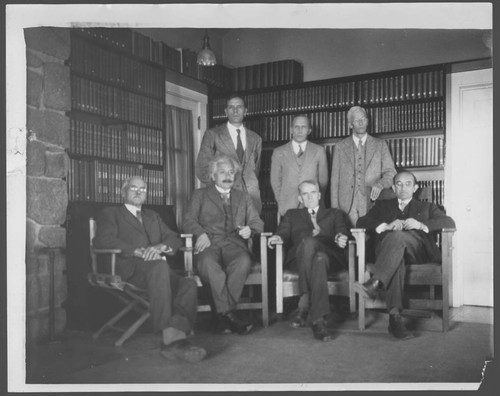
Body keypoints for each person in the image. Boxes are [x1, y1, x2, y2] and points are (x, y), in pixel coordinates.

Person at [93, 176, 206, 363]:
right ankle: (171, 343)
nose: (138, 192)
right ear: (123, 192)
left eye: (143, 189)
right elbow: (102, 240)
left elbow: (174, 238)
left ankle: (175, 336)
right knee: (161, 265)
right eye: (133, 188)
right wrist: (137, 251)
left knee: (188, 284)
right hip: (129, 271)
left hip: (158, 272)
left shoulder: (152, 216)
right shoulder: (111, 213)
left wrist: (161, 247)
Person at [354, 171, 456, 340]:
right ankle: (395, 320)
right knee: (396, 255)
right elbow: (361, 222)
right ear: (393, 187)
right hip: (389, 254)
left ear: (415, 188)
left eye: (408, 184)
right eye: (399, 184)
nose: (403, 188)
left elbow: (449, 222)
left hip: (417, 252)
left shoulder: (427, 207)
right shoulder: (382, 206)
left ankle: (375, 281)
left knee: (399, 237)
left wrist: (421, 224)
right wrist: (385, 226)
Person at [183, 155, 264, 335]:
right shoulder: (200, 195)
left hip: (235, 244)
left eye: (231, 172)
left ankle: (220, 316)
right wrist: (201, 234)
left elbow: (257, 222)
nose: (228, 176)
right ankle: (228, 315)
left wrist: (250, 230)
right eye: (222, 172)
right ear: (213, 176)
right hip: (208, 242)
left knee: (243, 262)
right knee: (208, 265)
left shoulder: (243, 197)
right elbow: (188, 221)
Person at [267, 180, 349, 342]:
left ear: (319, 195)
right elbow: (282, 232)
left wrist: (341, 237)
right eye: (305, 194)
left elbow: (342, 232)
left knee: (312, 246)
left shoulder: (334, 213)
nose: (310, 197)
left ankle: (304, 301)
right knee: (314, 255)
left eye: (313, 193)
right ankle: (318, 320)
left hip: (329, 256)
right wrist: (276, 237)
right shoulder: (292, 214)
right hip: (300, 259)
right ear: (300, 198)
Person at [330, 106, 396, 227]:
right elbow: (334, 181)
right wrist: (335, 210)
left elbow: (390, 173)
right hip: (346, 206)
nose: (361, 123)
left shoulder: (380, 145)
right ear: (350, 125)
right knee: (349, 240)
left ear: (367, 121)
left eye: (363, 119)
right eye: (356, 120)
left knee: (371, 239)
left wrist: (380, 184)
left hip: (372, 203)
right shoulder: (340, 147)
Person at [195, 95, 263, 213]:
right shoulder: (213, 134)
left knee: (248, 231)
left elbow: (255, 170)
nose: (235, 111)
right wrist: (220, 187)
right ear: (226, 112)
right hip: (221, 199)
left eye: (239, 107)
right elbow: (202, 169)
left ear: (245, 111)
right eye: (231, 107)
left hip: (251, 199)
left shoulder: (256, 138)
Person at [270, 114, 329, 217]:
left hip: (312, 206)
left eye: (304, 127)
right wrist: (282, 201)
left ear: (309, 130)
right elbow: (275, 181)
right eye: (296, 127)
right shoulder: (278, 152)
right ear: (291, 130)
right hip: (287, 206)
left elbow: (323, 181)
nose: (300, 131)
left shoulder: (319, 151)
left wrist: (315, 199)